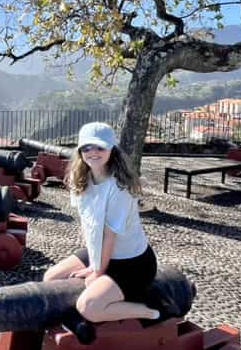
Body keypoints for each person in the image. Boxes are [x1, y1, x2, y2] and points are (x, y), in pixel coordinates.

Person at [43, 121, 160, 323]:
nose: (93, 152)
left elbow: (109, 234)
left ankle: (151, 311)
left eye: (100, 147)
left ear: (111, 149)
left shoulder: (118, 187)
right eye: (87, 147)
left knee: (89, 308)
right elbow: (88, 223)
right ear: (80, 151)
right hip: (99, 251)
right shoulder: (81, 178)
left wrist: (97, 270)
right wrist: (93, 261)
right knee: (50, 279)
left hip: (131, 263)